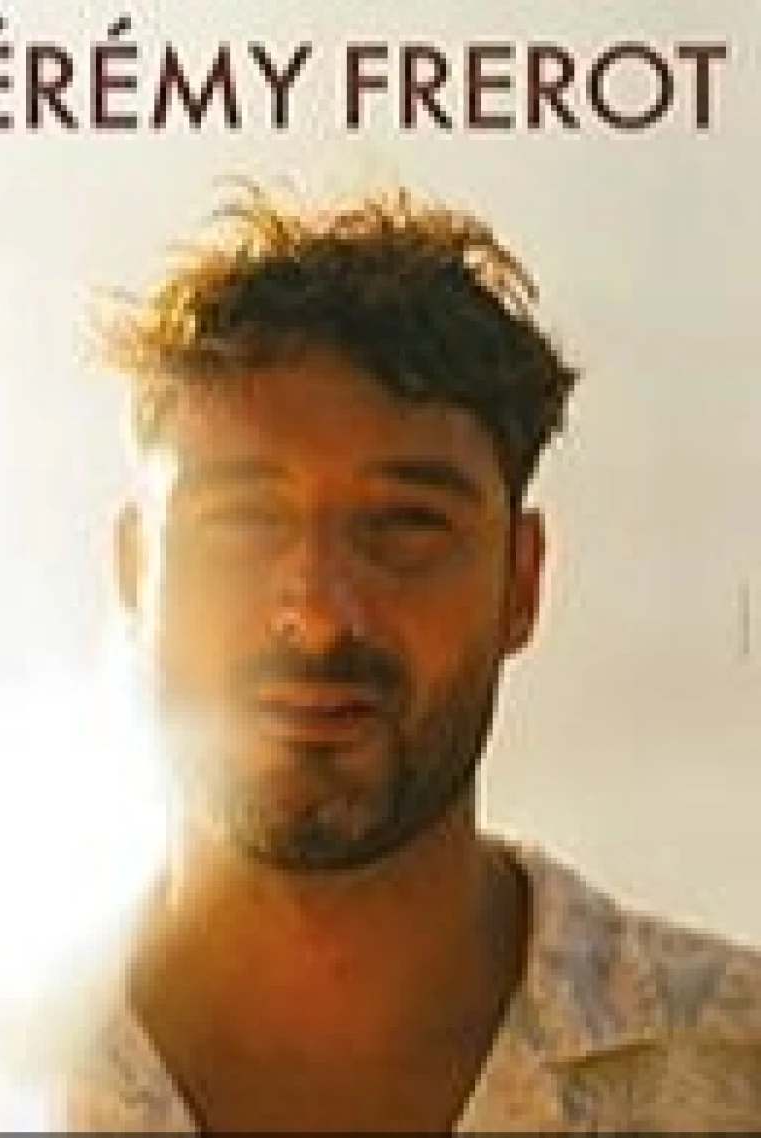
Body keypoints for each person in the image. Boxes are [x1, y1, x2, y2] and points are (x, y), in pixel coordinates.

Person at [63, 185, 761, 1132]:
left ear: (521, 583)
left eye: (405, 525)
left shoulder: (730, 1069)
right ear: (134, 571)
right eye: (242, 520)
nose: (317, 613)